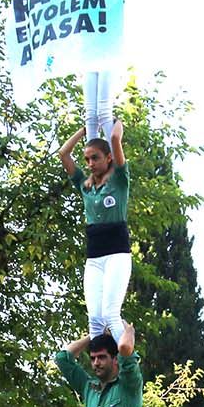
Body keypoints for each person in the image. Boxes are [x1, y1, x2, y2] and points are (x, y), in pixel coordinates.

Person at [59, 121, 130, 343]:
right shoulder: (85, 185)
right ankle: (102, 367)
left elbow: (116, 140)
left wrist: (115, 123)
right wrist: (85, 128)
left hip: (117, 254)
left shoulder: (119, 180)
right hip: (94, 257)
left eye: (95, 158)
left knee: (111, 314)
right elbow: (63, 154)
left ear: (108, 158)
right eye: (87, 159)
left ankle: (129, 363)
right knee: (95, 319)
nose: (90, 163)